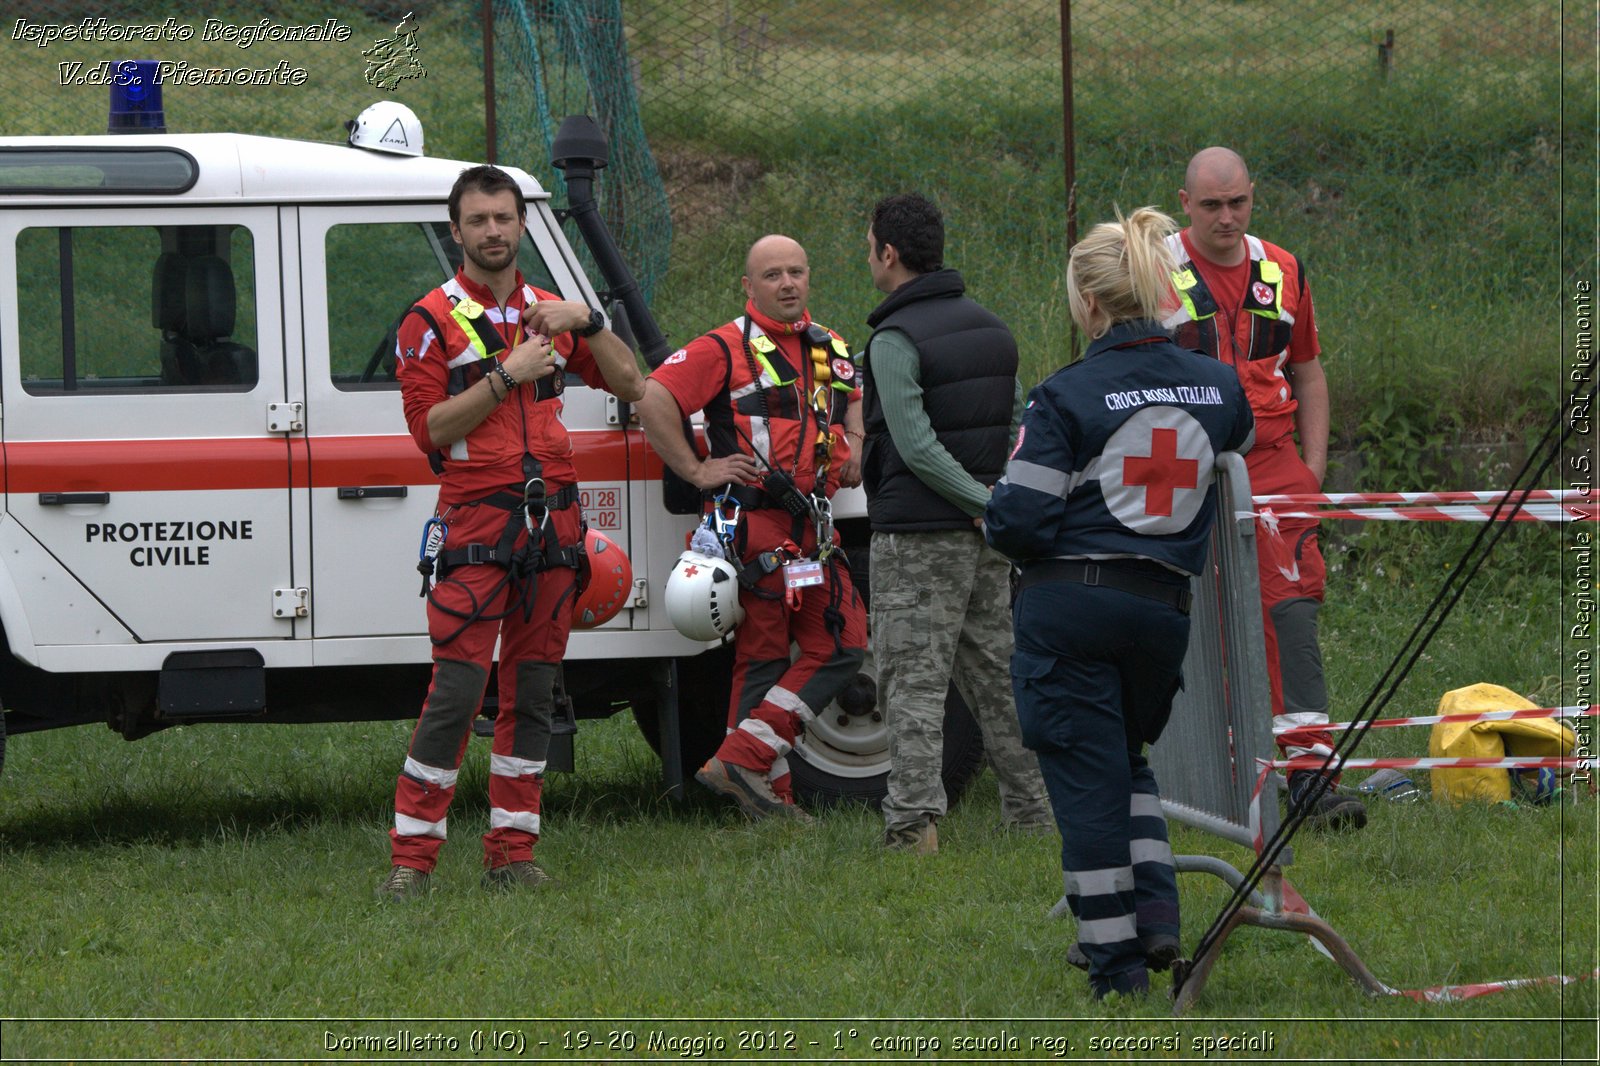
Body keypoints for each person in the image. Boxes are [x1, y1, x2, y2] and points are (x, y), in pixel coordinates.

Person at [986, 207, 1253, 999]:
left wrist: (998, 507)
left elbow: (1020, 521)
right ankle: (1158, 916)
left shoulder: (1064, 396)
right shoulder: (1220, 386)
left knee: (1084, 789)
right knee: (1128, 762)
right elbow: (1227, 441)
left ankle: (1117, 975)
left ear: (1090, 304)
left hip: (1071, 610)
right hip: (1161, 613)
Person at [374, 165, 645, 901]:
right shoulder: (427, 321)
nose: (493, 231)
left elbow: (632, 384)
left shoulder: (554, 312)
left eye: (505, 218)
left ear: (521, 225)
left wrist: (586, 322)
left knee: (533, 692)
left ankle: (513, 855)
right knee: (456, 694)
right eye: (479, 220)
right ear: (455, 231)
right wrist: (505, 372)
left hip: (552, 522)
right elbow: (428, 431)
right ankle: (413, 860)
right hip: (475, 520)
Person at [635, 234, 867, 820]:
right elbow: (654, 397)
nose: (787, 283)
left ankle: (746, 769)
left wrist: (855, 444)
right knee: (786, 652)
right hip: (757, 527)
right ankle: (756, 780)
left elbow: (851, 404)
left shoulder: (830, 346)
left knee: (831, 645)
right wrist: (695, 468)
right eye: (772, 275)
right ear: (748, 287)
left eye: (796, 271)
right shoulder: (723, 347)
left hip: (813, 529)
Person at [1170, 147, 1364, 830]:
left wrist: (1311, 468)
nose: (1226, 217)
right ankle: (1204, 774)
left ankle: (1311, 777)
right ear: (1185, 203)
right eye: (1211, 205)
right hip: (1179, 464)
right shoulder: (1150, 268)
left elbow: (1308, 371)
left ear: (1252, 198)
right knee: (1188, 616)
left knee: (1290, 612)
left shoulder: (1282, 269)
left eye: (1238, 203)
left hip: (1277, 464)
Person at [859, 193, 1050, 853]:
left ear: (888, 252)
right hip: (986, 538)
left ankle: (914, 826)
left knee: (912, 678)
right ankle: (1034, 812)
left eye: (870, 246)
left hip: (919, 537)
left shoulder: (894, 338)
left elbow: (913, 446)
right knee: (1000, 676)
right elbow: (1020, 427)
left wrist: (975, 501)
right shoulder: (995, 330)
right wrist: (994, 504)